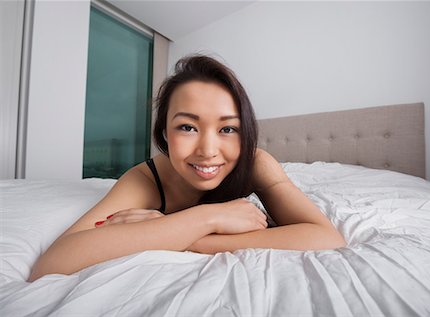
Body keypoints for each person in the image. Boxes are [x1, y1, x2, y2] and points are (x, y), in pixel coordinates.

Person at [28, 55, 345, 282]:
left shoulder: (257, 163)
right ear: (164, 132)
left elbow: (325, 237)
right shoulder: (145, 179)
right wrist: (207, 218)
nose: (208, 151)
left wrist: (187, 237)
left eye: (228, 129)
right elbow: (53, 263)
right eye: (188, 128)